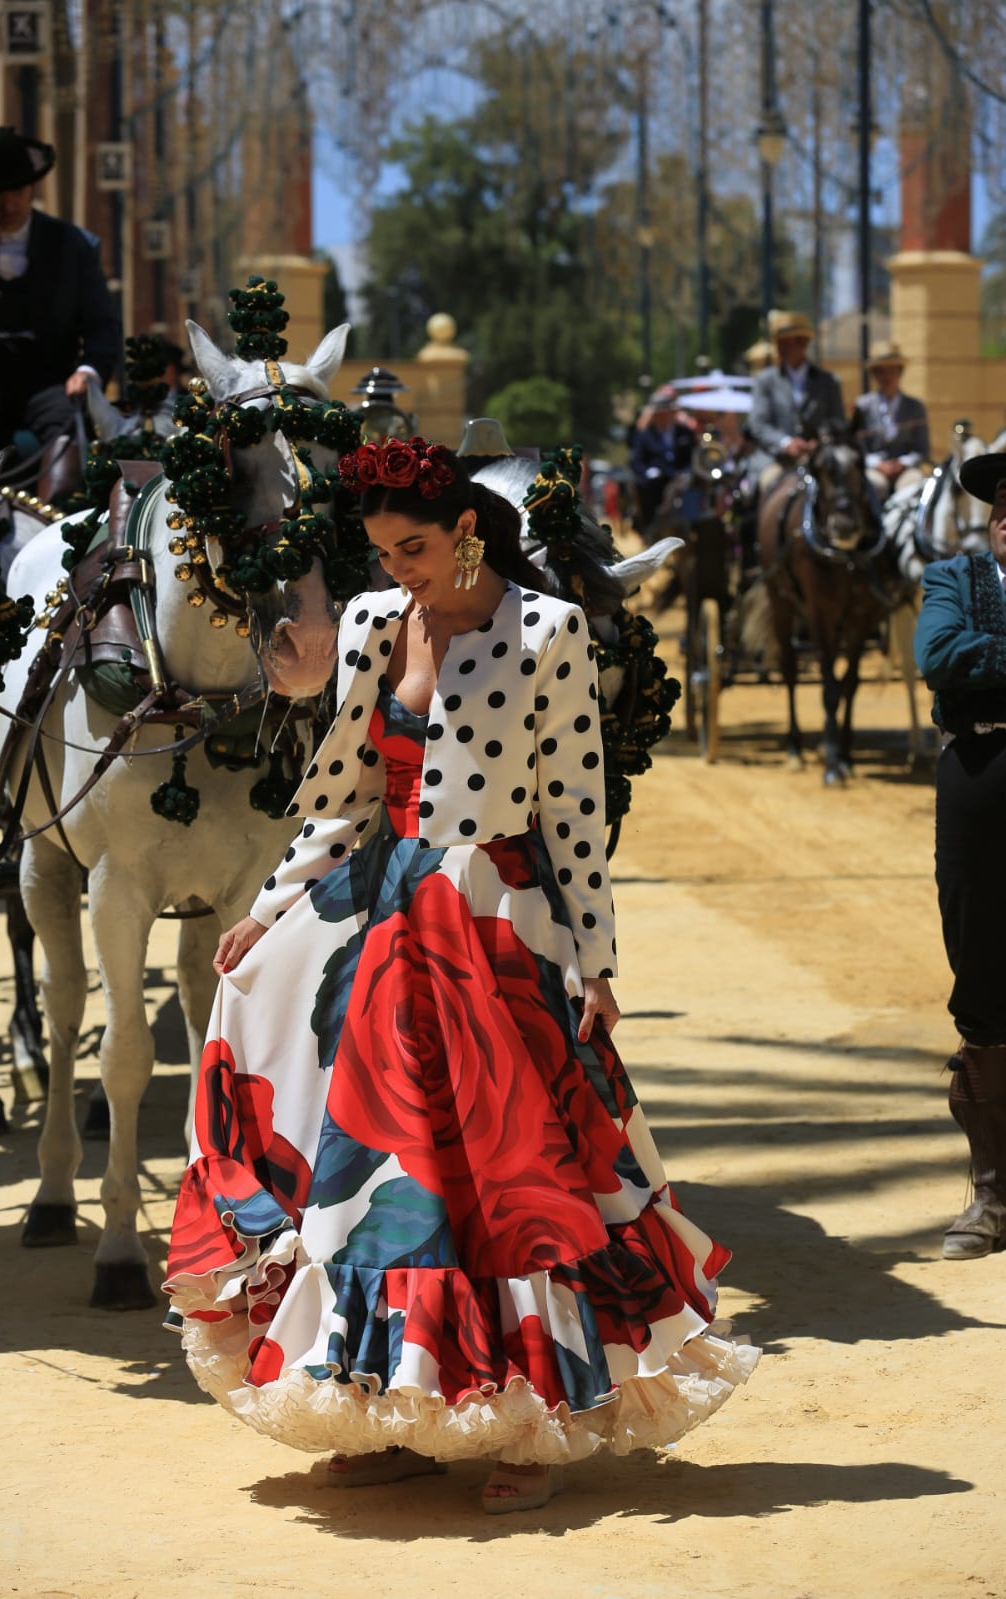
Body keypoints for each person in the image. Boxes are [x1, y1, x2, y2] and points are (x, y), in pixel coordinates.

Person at [163, 437, 758, 1512]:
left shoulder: (549, 631)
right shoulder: (369, 623)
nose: (398, 568)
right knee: (386, 1178)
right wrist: (262, 910)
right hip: (386, 919)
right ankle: (391, 1406)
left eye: (415, 547)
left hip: (497, 920)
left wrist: (593, 960)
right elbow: (338, 795)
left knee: (515, 1178)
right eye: (382, 550)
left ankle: (534, 1424)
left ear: (466, 528)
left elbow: (574, 815)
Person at [913, 451, 1006, 1260]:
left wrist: (993, 659)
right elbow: (940, 656)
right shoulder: (954, 575)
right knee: (979, 971)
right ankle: (992, 1188)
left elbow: (969, 658)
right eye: (1001, 506)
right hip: (978, 774)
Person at [0, 126, 122, 501]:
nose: (6, 205)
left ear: (31, 189)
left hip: (49, 374)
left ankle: (56, 527)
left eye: (14, 193)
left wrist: (88, 372)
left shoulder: (74, 245)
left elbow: (104, 326)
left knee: (69, 426)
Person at [748, 309, 845, 497]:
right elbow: (758, 424)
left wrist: (818, 441)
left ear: (803, 344)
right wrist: (786, 443)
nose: (781, 348)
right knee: (767, 485)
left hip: (819, 457)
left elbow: (838, 422)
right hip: (776, 459)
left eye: (788, 342)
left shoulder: (828, 381)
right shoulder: (765, 381)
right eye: (780, 342)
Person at [849, 341, 930, 502]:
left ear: (899, 372)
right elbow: (857, 447)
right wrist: (877, 464)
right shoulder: (863, 406)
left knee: (913, 485)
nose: (887, 376)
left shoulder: (915, 407)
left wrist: (902, 463)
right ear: (875, 375)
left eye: (891, 370)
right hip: (874, 469)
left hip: (907, 470)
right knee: (873, 485)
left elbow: (922, 449)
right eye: (881, 371)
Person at [628, 385, 696, 539]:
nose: (665, 417)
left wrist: (686, 472)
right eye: (661, 414)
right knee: (644, 487)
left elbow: (692, 457)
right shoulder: (645, 435)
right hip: (656, 483)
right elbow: (636, 460)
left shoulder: (685, 433)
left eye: (668, 413)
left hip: (681, 479)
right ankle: (649, 527)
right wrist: (647, 472)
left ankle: (693, 526)